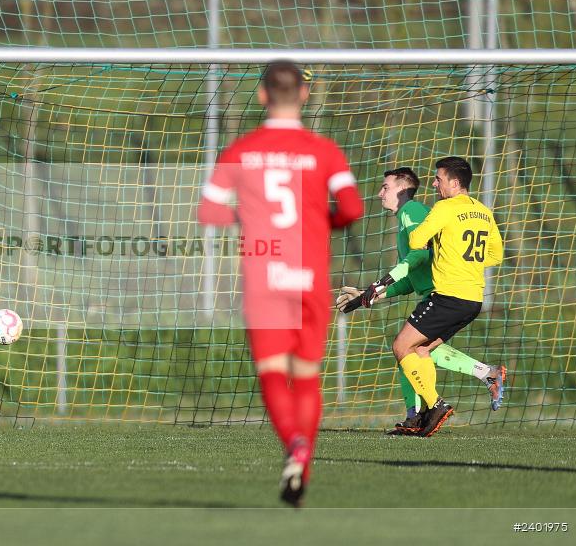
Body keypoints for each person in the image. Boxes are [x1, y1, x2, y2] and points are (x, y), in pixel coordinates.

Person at [197, 61, 363, 507]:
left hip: (264, 272)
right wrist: (322, 222)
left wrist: (248, 217)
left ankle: (293, 443)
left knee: (272, 372)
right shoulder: (324, 150)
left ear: (262, 96)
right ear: (304, 96)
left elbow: (209, 211)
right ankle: (302, 464)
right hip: (309, 277)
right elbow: (351, 207)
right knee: (306, 375)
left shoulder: (241, 150)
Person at [336, 167, 505, 436]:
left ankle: (432, 408)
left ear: (403, 190)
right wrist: (368, 297)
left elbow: (419, 256)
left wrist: (379, 285)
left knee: (405, 348)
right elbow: (410, 280)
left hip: (445, 293)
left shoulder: (412, 212)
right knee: (419, 352)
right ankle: (421, 413)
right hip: (453, 295)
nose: (380, 193)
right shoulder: (409, 215)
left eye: (386, 187)